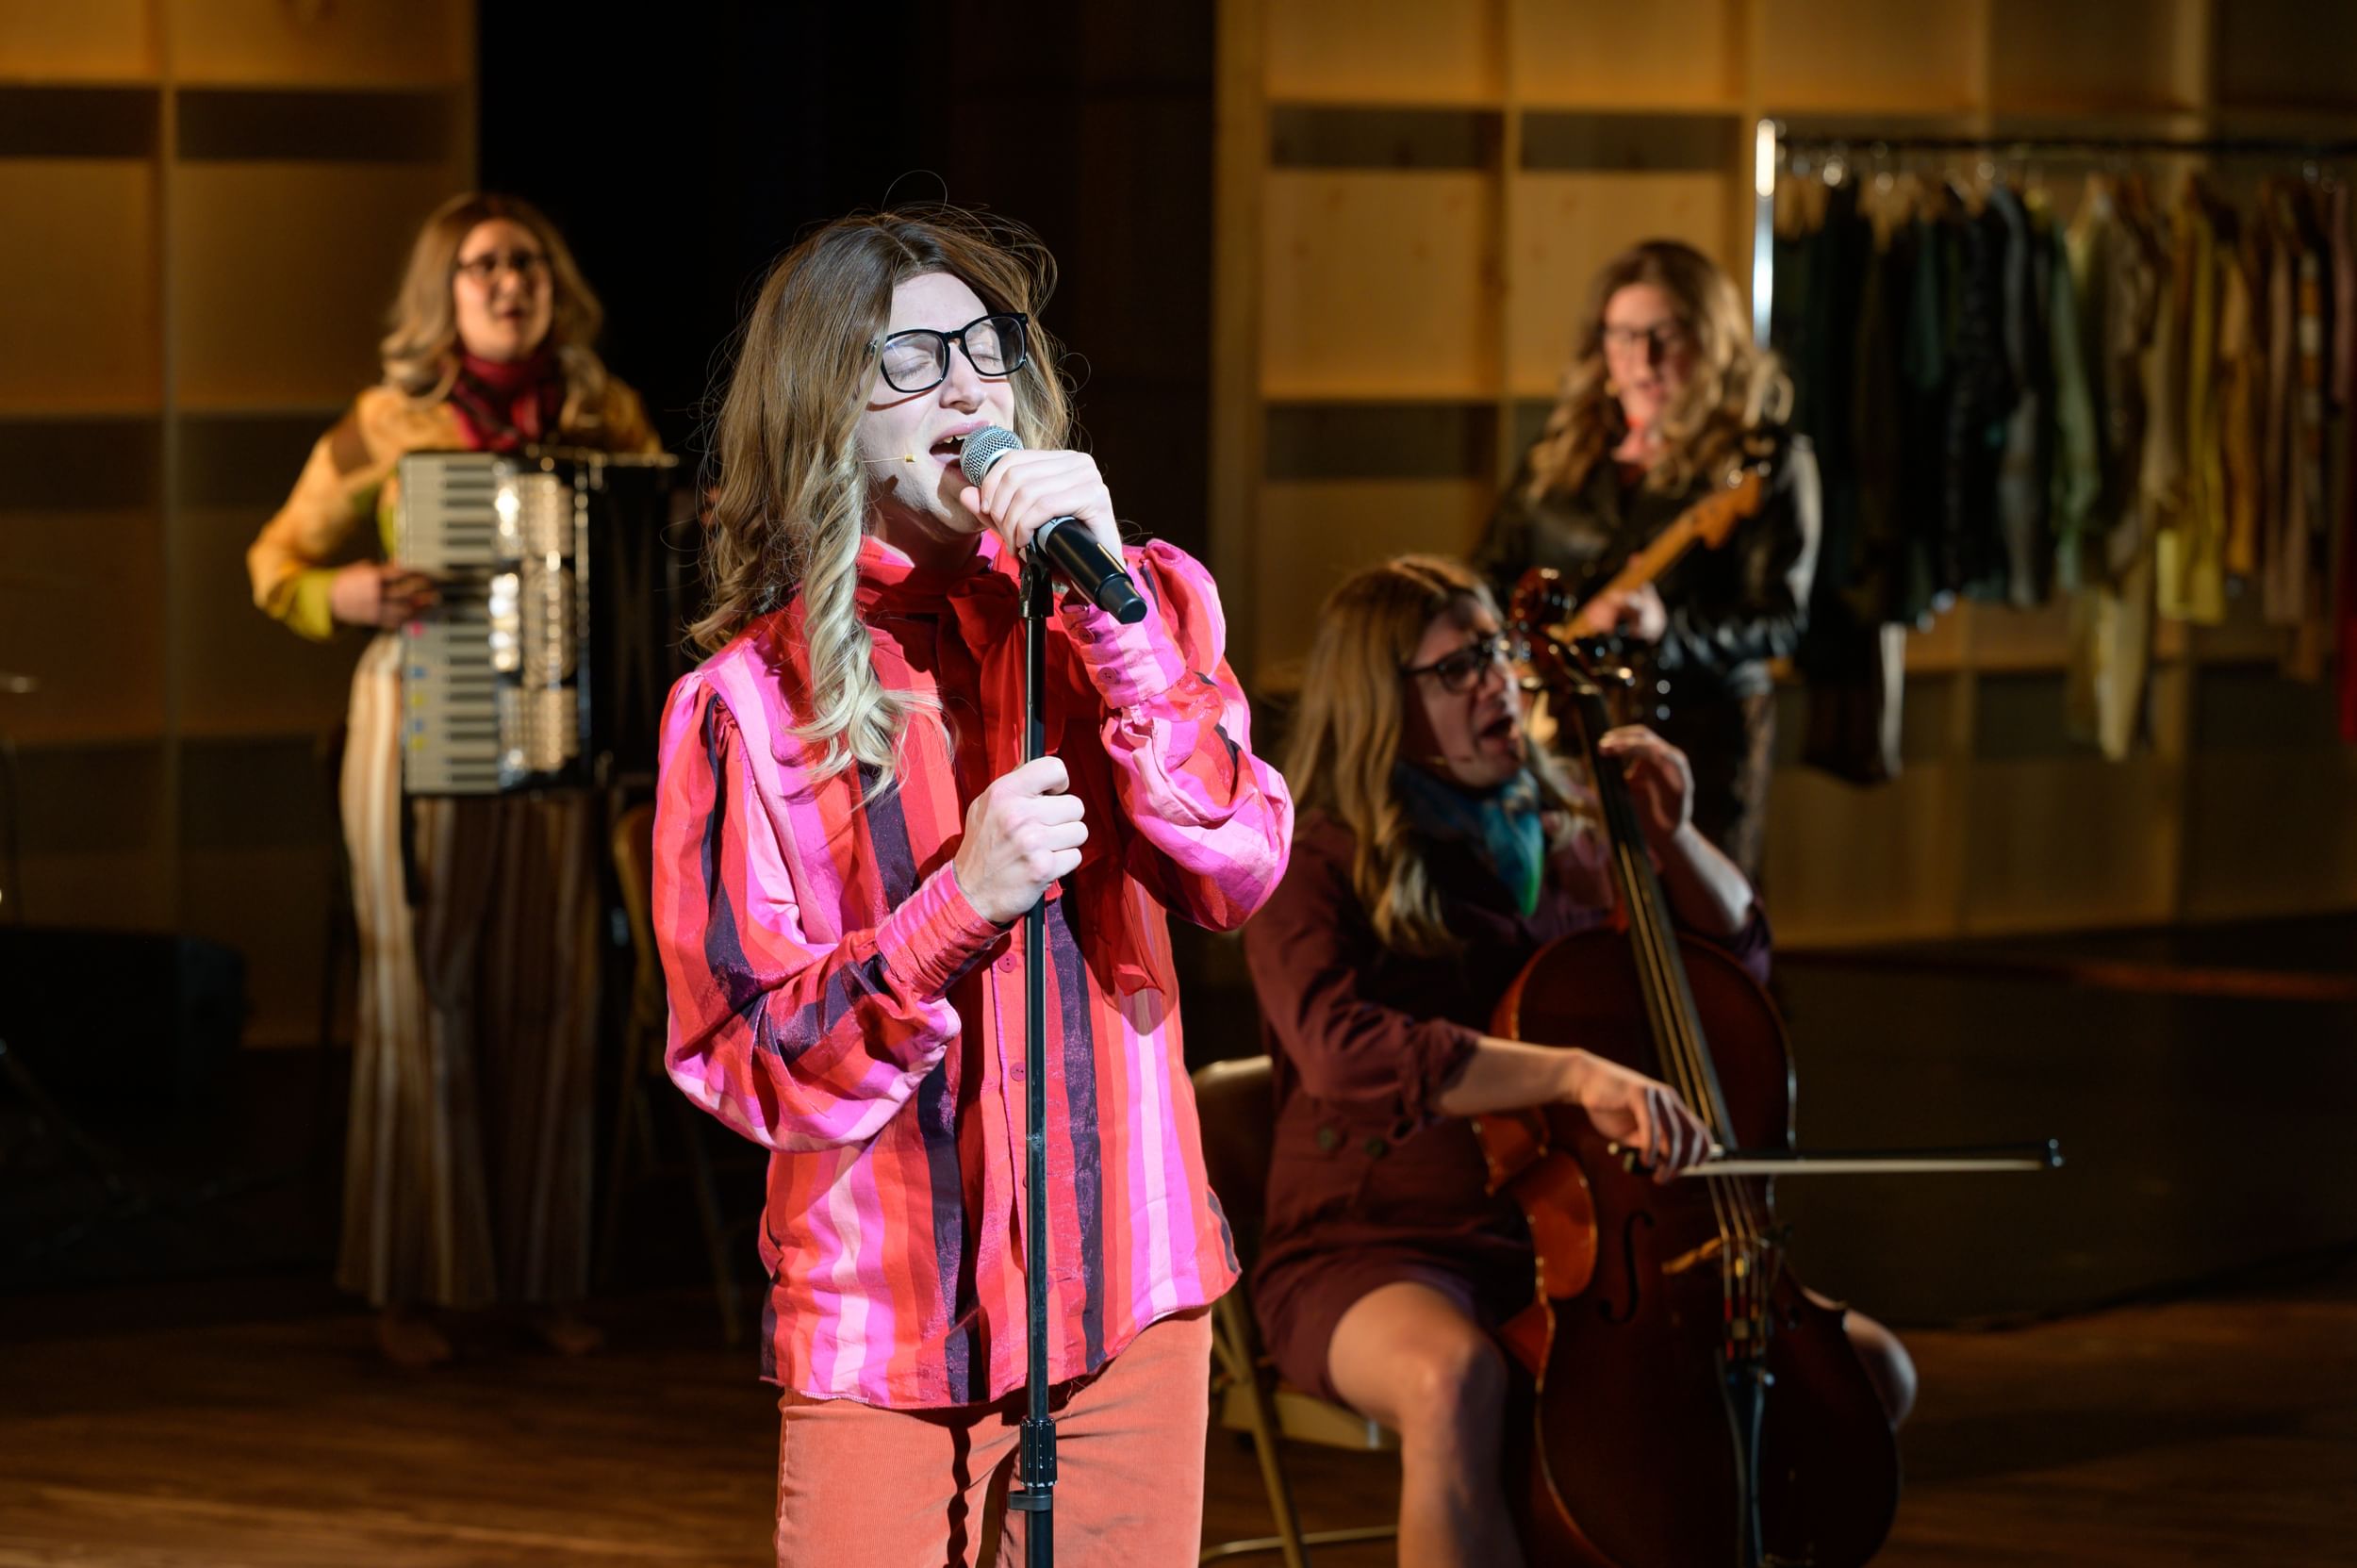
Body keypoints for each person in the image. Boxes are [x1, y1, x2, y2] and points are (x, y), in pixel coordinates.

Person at [649, 207, 1293, 1567]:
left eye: (985, 347)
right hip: (886, 1328)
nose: (964, 384)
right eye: (908, 359)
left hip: (1130, 1293)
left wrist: (1111, 623)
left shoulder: (1133, 611)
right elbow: (740, 1055)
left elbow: (1239, 863)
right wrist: (955, 910)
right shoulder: (745, 710)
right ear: (824, 411)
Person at [1244, 555, 1911, 1568]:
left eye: (1499, 655)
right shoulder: (1311, 855)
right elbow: (1342, 1052)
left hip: (1575, 1246)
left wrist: (1674, 843)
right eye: (1459, 666)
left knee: (1864, 1371)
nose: (1499, 682)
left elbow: (1732, 979)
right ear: (1382, 699)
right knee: (1454, 1381)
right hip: (1377, 1244)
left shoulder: (1568, 835)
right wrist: (1568, 1074)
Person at [246, 191, 660, 1368]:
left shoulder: (603, 413)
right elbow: (273, 562)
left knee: (553, 996)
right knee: (422, 998)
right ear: (445, 288)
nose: (507, 283)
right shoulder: (384, 424)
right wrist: (350, 593)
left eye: (525, 260)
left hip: (554, 730)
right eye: (481, 265)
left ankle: (536, 1275)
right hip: (418, 728)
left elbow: (649, 542)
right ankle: (408, 1285)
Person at [1474, 239, 1821, 883]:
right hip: (1560, 728)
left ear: (1711, 340)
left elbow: (1780, 621)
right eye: (1623, 335)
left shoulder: (1764, 460)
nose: (1643, 358)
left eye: (1664, 334)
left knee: (1701, 923)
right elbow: (1488, 574)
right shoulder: (1566, 448)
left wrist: (1669, 632)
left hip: (1700, 733)